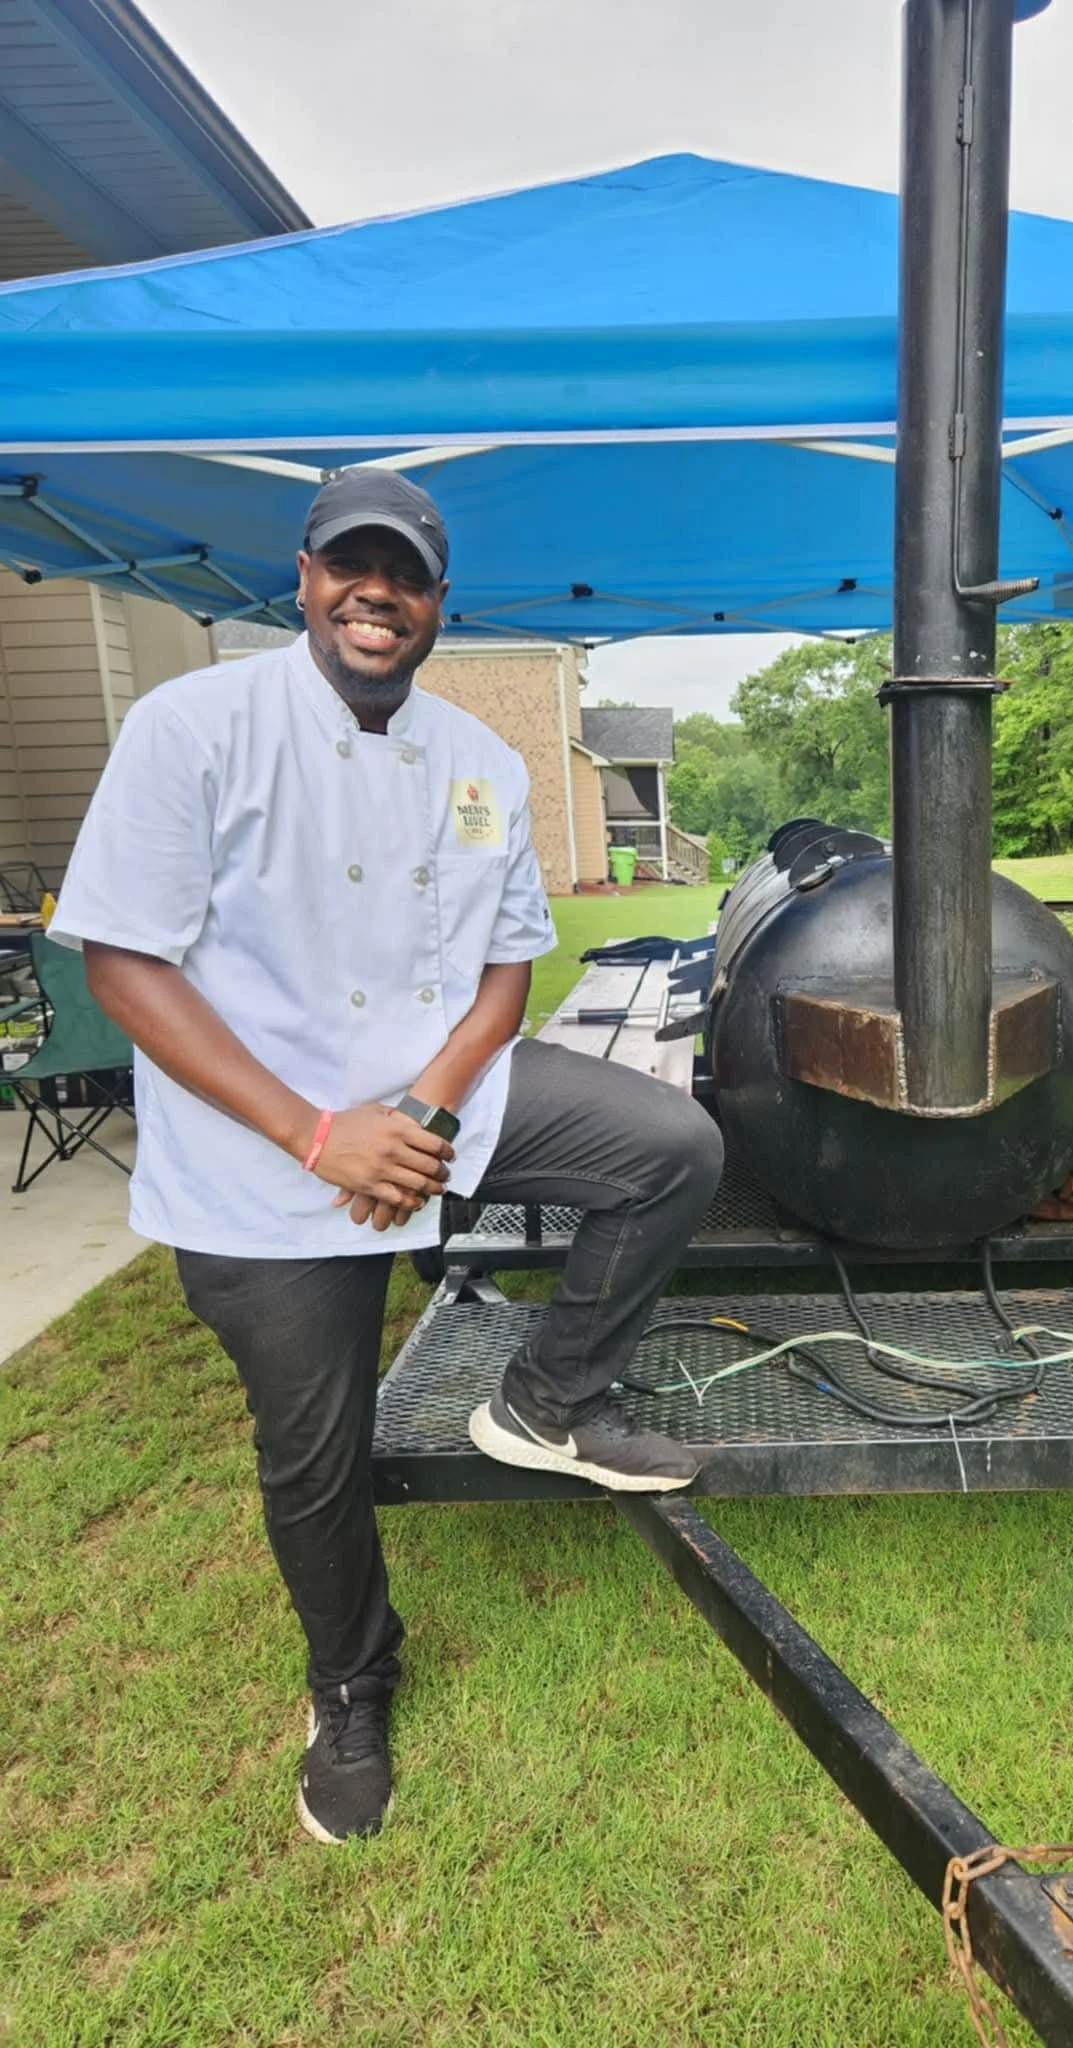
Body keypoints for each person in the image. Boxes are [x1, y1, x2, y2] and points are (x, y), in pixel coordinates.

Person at [50, 469, 723, 1845]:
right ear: (302, 578)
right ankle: (352, 1678)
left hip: (440, 1100)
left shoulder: (478, 760)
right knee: (317, 1455)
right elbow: (123, 958)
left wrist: (418, 1115)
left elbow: (503, 977)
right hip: (261, 1154)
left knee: (671, 1147)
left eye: (405, 576)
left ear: (435, 602)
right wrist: (317, 1131)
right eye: (352, 567)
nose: (378, 595)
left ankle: (545, 1399)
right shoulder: (196, 726)